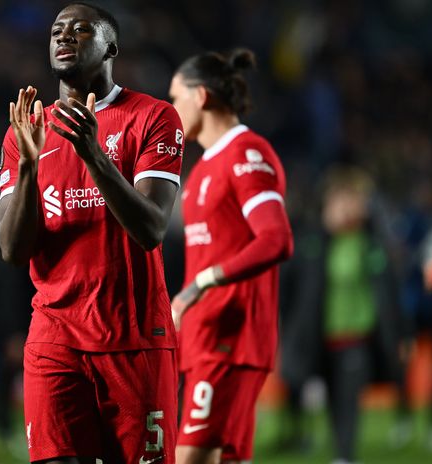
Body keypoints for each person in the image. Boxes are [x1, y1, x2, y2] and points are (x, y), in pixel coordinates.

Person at [0, 3, 184, 463]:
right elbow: (13, 250)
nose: (64, 36)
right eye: (57, 31)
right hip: (55, 337)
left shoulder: (154, 116)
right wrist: (28, 167)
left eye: (81, 30)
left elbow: (151, 229)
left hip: (134, 339)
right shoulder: (26, 132)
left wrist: (93, 154)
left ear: (111, 47)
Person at [168, 49, 294, 464]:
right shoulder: (202, 169)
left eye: (175, 98)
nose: (170, 109)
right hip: (204, 338)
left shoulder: (247, 153)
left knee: (189, 458)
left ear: (201, 96)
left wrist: (201, 284)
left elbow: (276, 239)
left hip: (231, 341)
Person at [278, 166, 410, 464]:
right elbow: (287, 285)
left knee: (348, 396)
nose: (351, 207)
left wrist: (402, 333)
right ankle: (306, 439)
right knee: (321, 394)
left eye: (356, 200)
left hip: (356, 337)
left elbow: (391, 293)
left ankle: (344, 455)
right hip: (317, 336)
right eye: (345, 199)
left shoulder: (373, 243)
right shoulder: (312, 241)